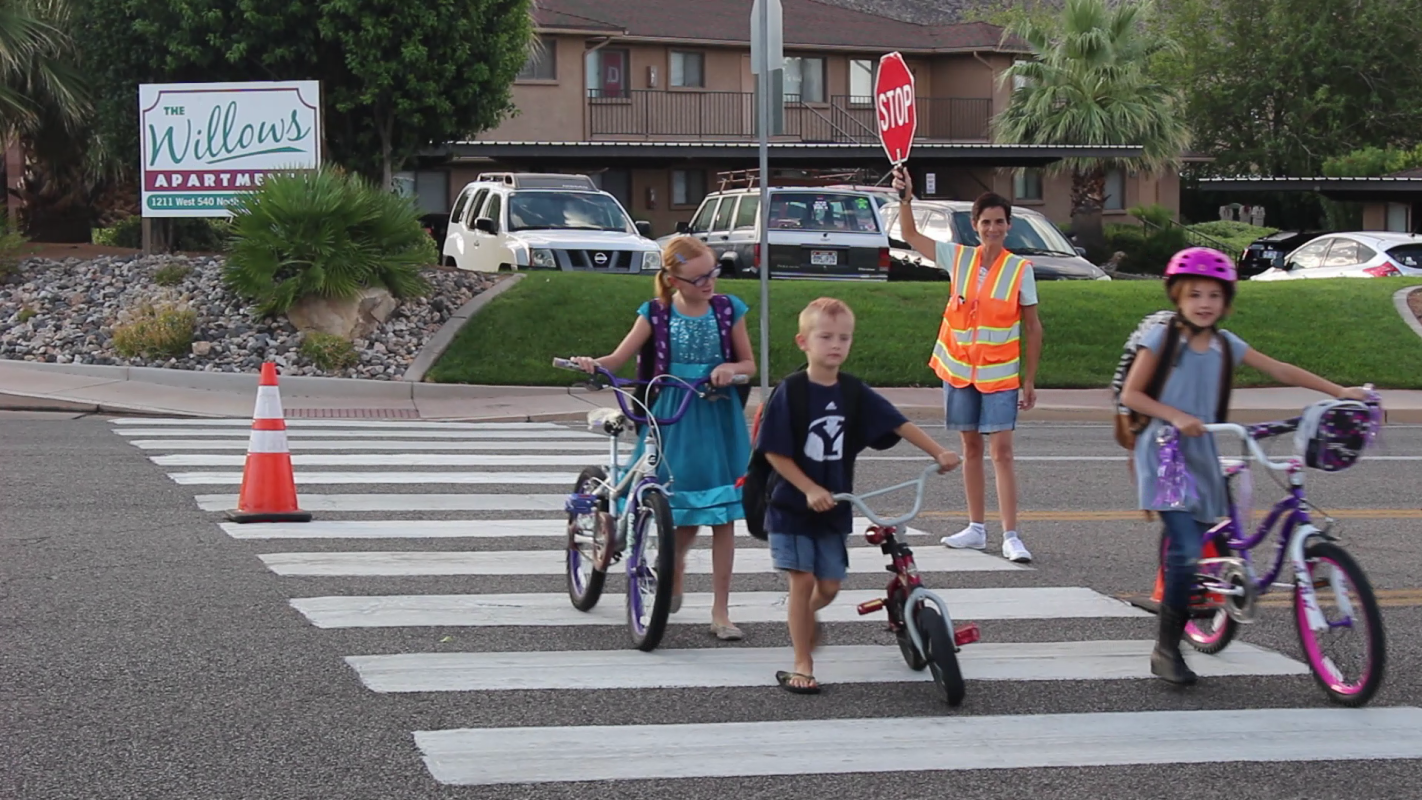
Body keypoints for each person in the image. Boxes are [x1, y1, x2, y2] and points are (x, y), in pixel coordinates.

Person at [1119, 247, 1370, 685]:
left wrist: (1339, 391)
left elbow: (1280, 370)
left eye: (1214, 295)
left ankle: (1203, 588)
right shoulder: (1162, 338)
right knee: (1185, 546)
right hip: (1165, 451)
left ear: (1226, 302)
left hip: (1203, 448)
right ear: (1177, 296)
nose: (1204, 303)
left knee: (1201, 534)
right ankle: (1165, 650)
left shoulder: (1224, 344)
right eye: (1194, 293)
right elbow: (1132, 396)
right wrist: (1176, 416)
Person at [758, 297, 961, 694]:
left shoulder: (853, 392)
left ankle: (803, 617)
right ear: (804, 341)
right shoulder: (792, 391)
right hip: (791, 507)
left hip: (836, 507)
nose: (836, 345)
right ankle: (803, 662)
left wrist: (938, 451)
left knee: (830, 585)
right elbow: (774, 452)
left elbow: (897, 422)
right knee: (801, 581)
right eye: (826, 337)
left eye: (844, 338)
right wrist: (809, 488)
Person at [570, 236, 755, 641]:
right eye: (699, 278)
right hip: (672, 415)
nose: (710, 282)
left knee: (723, 515)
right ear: (672, 280)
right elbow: (617, 359)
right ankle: (675, 563)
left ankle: (721, 611)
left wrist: (730, 368)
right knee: (677, 501)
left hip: (715, 411)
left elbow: (749, 363)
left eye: (713, 272)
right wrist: (592, 363)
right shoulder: (656, 313)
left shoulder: (728, 309)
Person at [891, 167, 1042, 564]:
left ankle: (1011, 535)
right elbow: (911, 236)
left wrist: (1029, 380)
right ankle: (976, 528)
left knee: (1003, 452)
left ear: (1008, 226)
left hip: (1000, 375)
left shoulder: (1020, 270)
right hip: (959, 371)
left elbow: (1033, 327)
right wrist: (906, 199)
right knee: (970, 447)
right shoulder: (957, 258)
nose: (993, 228)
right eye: (985, 222)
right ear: (975, 226)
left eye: (999, 222)